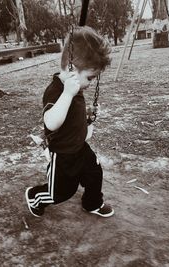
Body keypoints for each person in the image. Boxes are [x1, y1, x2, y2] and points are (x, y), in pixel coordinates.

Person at [25, 26, 114, 218]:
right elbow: (51, 122)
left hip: (80, 148)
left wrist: (88, 113)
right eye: (90, 77)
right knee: (60, 192)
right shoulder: (56, 91)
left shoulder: (75, 88)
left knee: (94, 173)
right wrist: (67, 94)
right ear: (72, 69)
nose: (90, 83)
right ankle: (35, 196)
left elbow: (73, 113)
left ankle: (92, 202)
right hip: (63, 154)